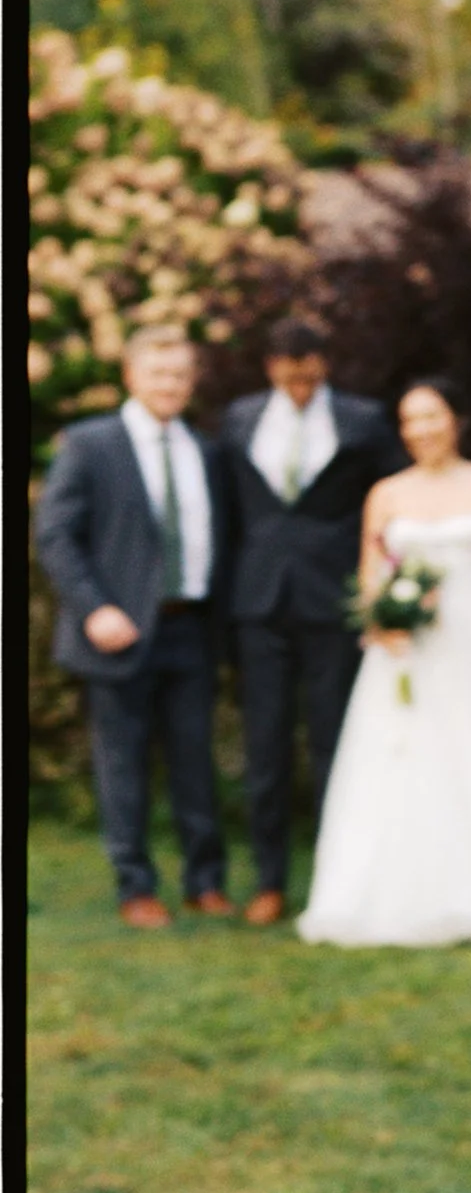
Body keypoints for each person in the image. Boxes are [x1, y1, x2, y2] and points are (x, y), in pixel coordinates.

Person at [297, 380, 471, 947]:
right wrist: (382, 618)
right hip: (407, 646)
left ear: (454, 419)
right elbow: (370, 570)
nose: (422, 430)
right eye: (410, 421)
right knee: (401, 760)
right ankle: (394, 894)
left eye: (432, 416)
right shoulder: (386, 493)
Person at [36, 328, 232, 927]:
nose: (170, 385)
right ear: (131, 376)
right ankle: (136, 887)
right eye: (158, 374)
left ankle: (205, 882)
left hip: (190, 628)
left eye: (179, 375)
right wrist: (94, 607)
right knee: (123, 765)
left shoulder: (204, 450)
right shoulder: (91, 444)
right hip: (120, 633)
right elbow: (55, 536)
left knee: (196, 760)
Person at [220, 318, 404, 925]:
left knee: (333, 743)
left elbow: (393, 503)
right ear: (270, 368)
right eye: (286, 371)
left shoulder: (362, 419)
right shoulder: (240, 419)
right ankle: (269, 881)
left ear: (323, 364)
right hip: (260, 604)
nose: (297, 383)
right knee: (266, 748)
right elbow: (227, 512)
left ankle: (336, 876)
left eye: (307, 370)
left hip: (333, 599)